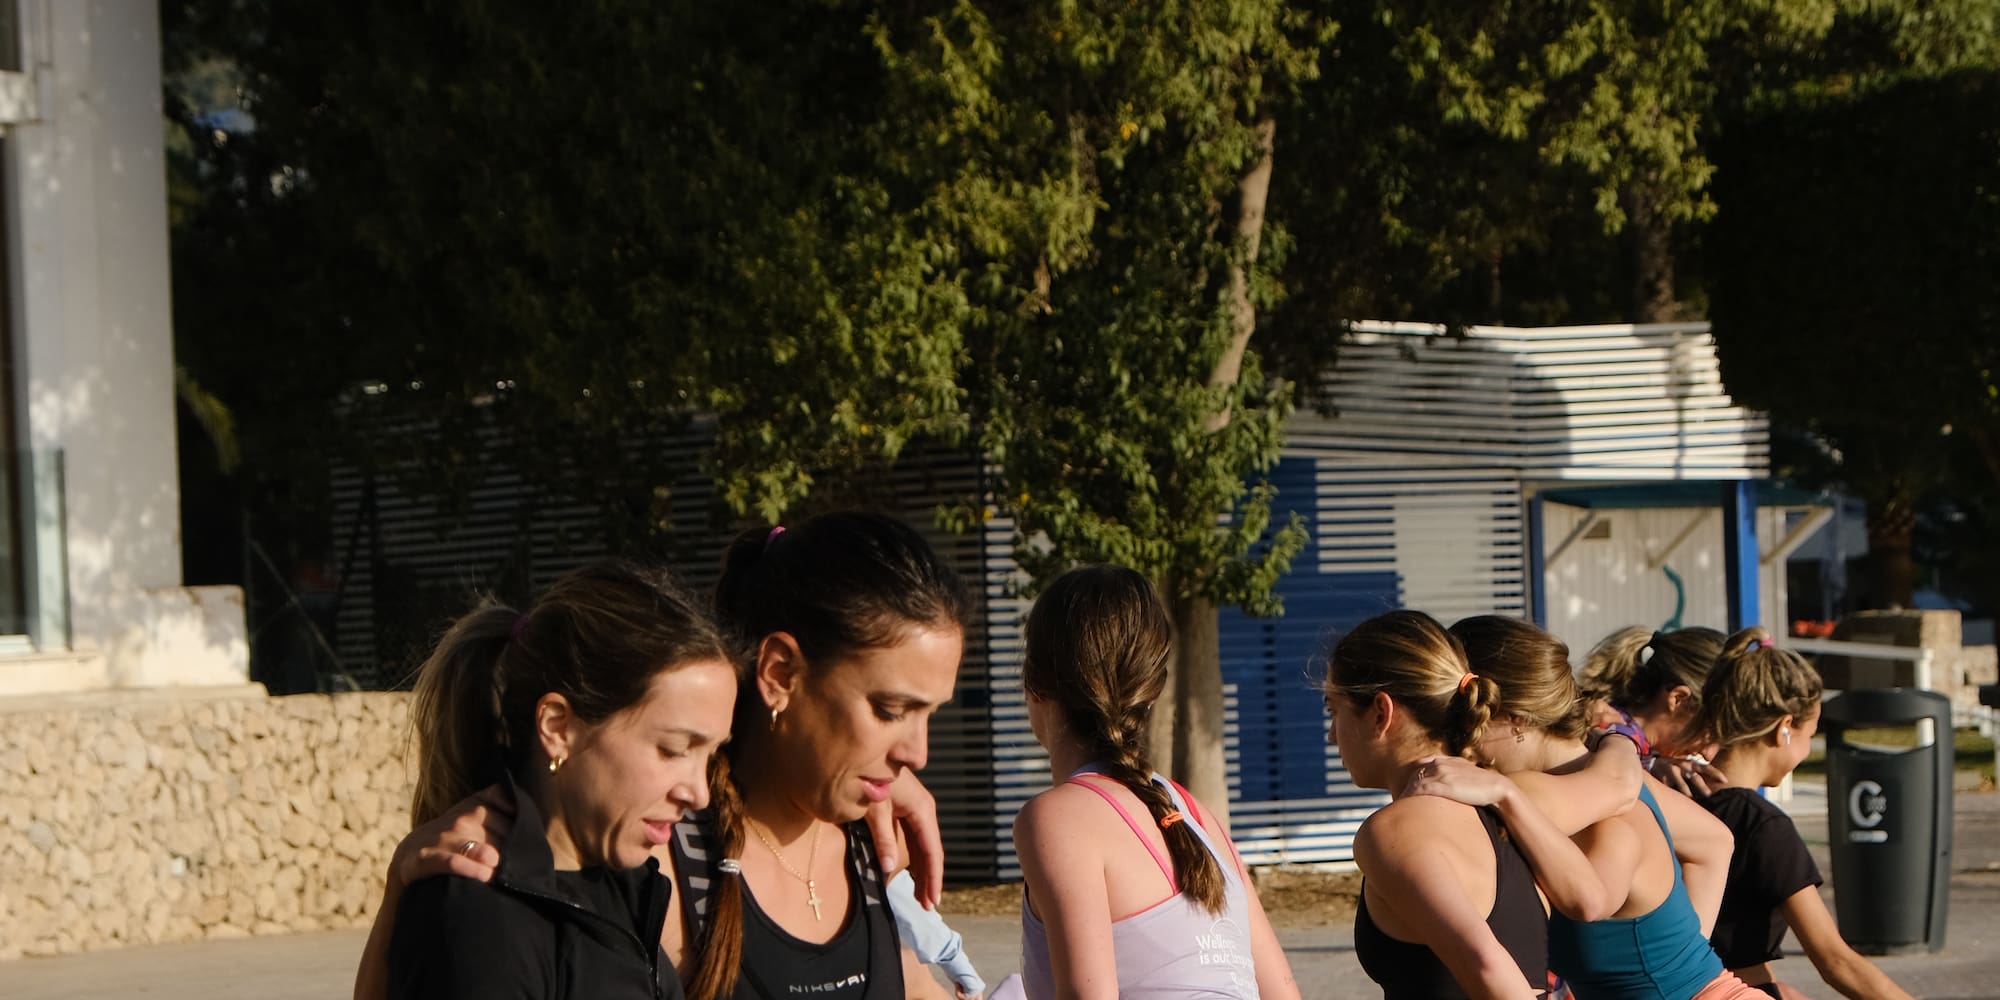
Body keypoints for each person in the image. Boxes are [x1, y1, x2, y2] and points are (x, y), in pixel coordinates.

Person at [359, 511, 971, 1000]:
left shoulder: (865, 831)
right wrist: (403, 891)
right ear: (780, 672)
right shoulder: (649, 853)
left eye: (929, 713)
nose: (916, 751)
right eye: (891, 710)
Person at [383, 560, 738, 999]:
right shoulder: (482, 915)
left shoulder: (623, 886)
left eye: (711, 753)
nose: (698, 793)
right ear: (558, 727)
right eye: (673, 750)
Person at [1423, 615, 1761, 1000]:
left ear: (1514, 719)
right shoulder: (1614, 773)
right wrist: (1675, 964)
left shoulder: (1533, 790)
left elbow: (1589, 900)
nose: (1455, 747)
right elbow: (1714, 843)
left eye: (1464, 721)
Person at [1014, 565, 1300, 1000]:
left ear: (1033, 683)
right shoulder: (1192, 813)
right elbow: (1282, 992)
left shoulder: (1057, 819)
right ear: (1153, 687)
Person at [1323, 609, 1626, 999]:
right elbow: (1591, 900)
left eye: (1334, 711)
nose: (1332, 735)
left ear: (1382, 712)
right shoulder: (1505, 805)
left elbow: (1486, 964)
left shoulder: (1393, 830)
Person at [1682, 627, 1916, 1000]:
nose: (1807, 750)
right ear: (1785, 727)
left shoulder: (1679, 796)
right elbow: (1835, 961)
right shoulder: (1761, 824)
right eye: (1810, 733)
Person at [1580, 626, 1729, 796]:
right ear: (1678, 699)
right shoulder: (1610, 738)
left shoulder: (1631, 743)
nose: (1708, 754)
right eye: (1710, 732)